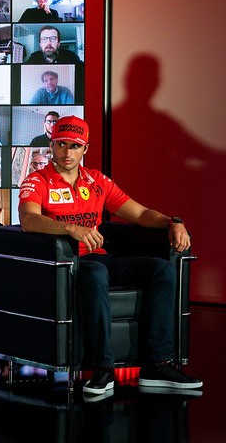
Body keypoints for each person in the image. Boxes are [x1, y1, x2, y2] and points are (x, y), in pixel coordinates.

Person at [18, 115, 201, 395]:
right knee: (96, 271)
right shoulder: (37, 180)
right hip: (63, 264)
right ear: (51, 145)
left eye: (75, 146)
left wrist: (172, 221)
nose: (67, 153)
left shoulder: (97, 181)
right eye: (61, 145)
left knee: (161, 269)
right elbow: (29, 220)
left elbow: (139, 213)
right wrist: (70, 228)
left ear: (86, 149)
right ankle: (103, 368)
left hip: (98, 259)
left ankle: (157, 365)